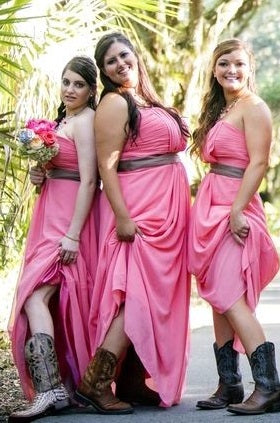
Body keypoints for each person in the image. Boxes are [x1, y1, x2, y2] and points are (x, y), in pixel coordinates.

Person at [75, 32, 191, 414]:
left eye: (124, 55)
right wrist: (122, 217)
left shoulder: (146, 98)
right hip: (140, 211)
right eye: (110, 61)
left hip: (168, 211)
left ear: (135, 55)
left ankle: (132, 379)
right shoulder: (113, 103)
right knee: (137, 295)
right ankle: (95, 381)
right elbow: (108, 167)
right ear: (104, 71)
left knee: (156, 295)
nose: (120, 64)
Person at [189, 39, 280, 415]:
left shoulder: (254, 108)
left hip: (235, 205)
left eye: (239, 64)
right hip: (212, 203)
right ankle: (229, 383)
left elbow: (259, 163)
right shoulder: (223, 109)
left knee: (230, 294)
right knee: (216, 295)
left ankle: (268, 386)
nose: (232, 70)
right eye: (224, 64)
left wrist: (238, 209)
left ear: (250, 68)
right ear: (214, 69)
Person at [8, 56, 99, 422]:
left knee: (34, 294)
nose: (70, 89)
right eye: (66, 82)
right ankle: (54, 387)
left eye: (78, 84)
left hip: (68, 219)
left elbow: (89, 180)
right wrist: (40, 173)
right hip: (48, 211)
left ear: (92, 90)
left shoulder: (87, 120)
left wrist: (74, 235)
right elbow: (60, 166)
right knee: (39, 296)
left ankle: (49, 391)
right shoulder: (63, 120)